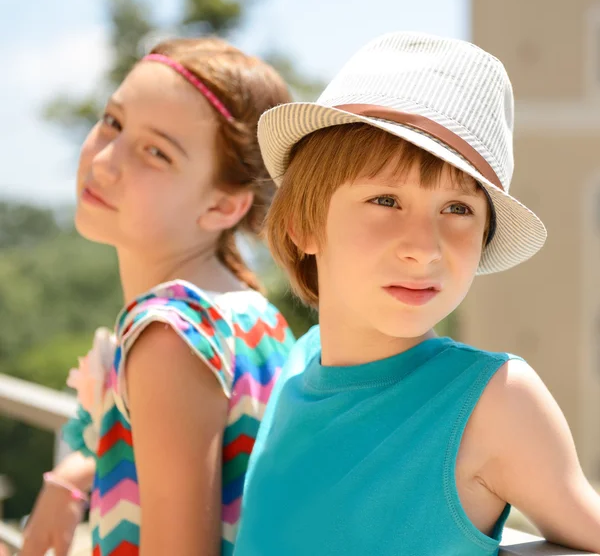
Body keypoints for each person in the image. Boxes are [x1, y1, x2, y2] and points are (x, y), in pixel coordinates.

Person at [233, 31, 600, 555]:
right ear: (302, 224)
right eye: (386, 199)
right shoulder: (298, 367)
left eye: (458, 209)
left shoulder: (495, 400)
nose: (424, 249)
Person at [21, 37, 295, 556]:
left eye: (156, 152)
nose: (104, 161)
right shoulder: (251, 311)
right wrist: (73, 476)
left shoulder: (170, 331)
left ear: (224, 205)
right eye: (113, 122)